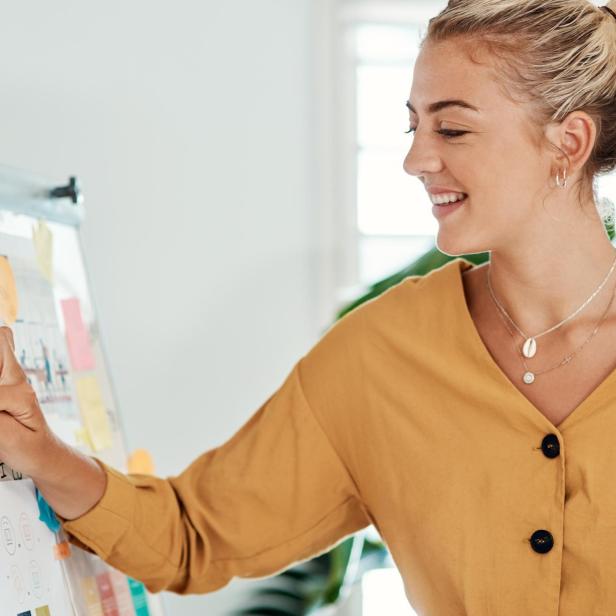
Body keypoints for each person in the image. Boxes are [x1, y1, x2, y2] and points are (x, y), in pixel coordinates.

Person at [0, 0, 615, 613]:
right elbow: (193, 538)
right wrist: (40, 452)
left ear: (569, 142)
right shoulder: (381, 354)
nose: (415, 160)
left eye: (451, 128)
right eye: (413, 127)